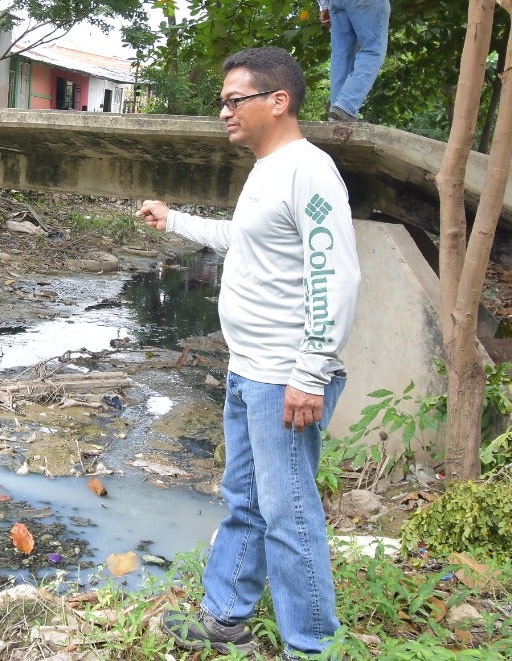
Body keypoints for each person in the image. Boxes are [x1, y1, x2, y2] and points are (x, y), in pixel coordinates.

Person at [138, 47, 361, 660]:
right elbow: (242, 240)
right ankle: (225, 616)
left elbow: (335, 277)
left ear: (278, 101)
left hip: (284, 377)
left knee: (289, 516)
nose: (224, 112)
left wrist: (311, 372)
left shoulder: (310, 171)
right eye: (223, 102)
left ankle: (310, 646)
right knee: (245, 500)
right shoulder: (267, 169)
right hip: (248, 369)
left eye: (234, 100)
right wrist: (174, 220)